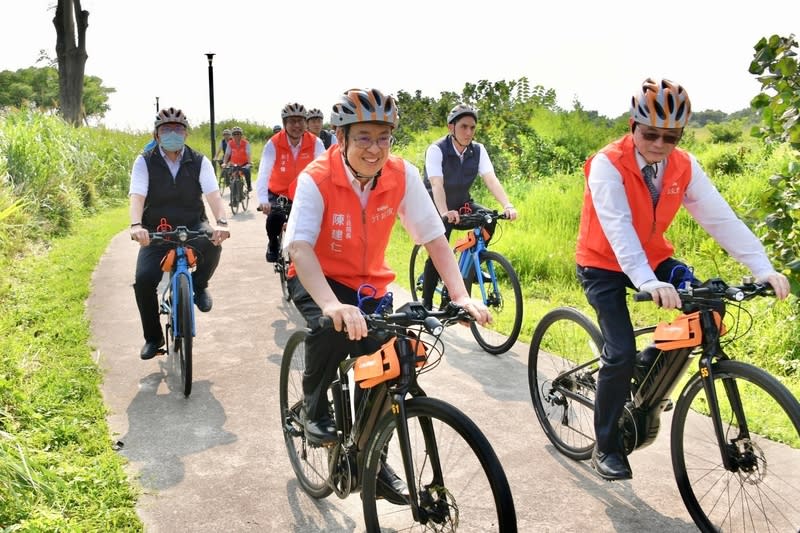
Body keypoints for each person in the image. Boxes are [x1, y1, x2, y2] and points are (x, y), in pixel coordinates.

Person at [576, 78, 790, 481]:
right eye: (650, 133)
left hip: (653, 258)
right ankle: (606, 446)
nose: (659, 143)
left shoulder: (683, 166)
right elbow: (619, 230)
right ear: (632, 126)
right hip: (602, 263)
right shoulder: (607, 163)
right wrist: (646, 282)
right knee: (618, 352)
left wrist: (762, 267)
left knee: (709, 306)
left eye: (671, 136)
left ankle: (652, 360)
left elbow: (720, 219)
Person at [283, 87, 491, 502]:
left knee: (392, 361)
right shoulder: (317, 178)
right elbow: (300, 248)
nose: (374, 149)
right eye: (363, 137)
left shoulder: (401, 175)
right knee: (332, 328)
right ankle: (311, 407)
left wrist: (461, 295)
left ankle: (371, 458)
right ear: (341, 138)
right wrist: (331, 303)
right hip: (318, 278)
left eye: (383, 138)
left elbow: (433, 238)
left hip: (369, 284)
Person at [129, 107, 231, 360]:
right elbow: (137, 195)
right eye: (166, 129)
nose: (172, 133)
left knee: (213, 242)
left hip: (192, 224)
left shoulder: (199, 161)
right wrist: (136, 226)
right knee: (143, 281)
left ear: (186, 134)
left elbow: (213, 194)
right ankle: (153, 338)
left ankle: (200, 285)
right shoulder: (145, 160)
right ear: (156, 133)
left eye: (178, 128)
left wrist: (221, 222)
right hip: (156, 230)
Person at [420, 103, 518, 309]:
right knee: (439, 251)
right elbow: (437, 184)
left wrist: (507, 205)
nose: (468, 132)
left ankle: (472, 265)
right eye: (464, 126)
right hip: (436, 207)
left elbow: (491, 179)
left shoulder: (478, 150)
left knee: (489, 218)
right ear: (451, 127)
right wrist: (445, 212)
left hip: (463, 203)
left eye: (472, 128)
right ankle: (426, 303)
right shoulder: (436, 150)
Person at [256, 103, 325, 262]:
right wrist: (264, 201)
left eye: (300, 121)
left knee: (313, 222)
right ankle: (273, 243)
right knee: (274, 218)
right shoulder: (273, 143)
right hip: (278, 192)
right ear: (284, 123)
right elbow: (264, 172)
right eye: (292, 121)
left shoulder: (316, 143)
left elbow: (324, 170)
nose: (297, 125)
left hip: (303, 192)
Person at [222, 126, 252, 193]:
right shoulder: (230, 143)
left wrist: (249, 163)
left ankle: (249, 186)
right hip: (234, 163)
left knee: (247, 171)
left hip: (244, 163)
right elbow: (227, 154)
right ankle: (233, 193)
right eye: (234, 134)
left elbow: (248, 153)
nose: (236, 135)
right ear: (232, 135)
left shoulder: (246, 143)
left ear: (241, 135)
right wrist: (224, 162)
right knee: (229, 173)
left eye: (238, 134)